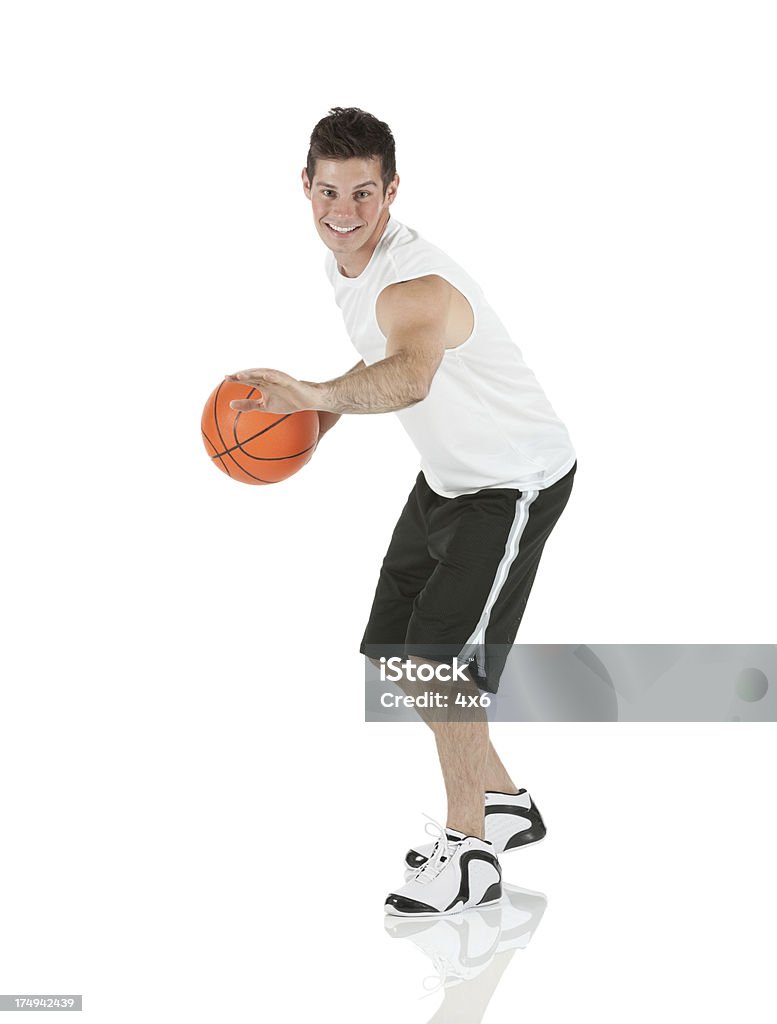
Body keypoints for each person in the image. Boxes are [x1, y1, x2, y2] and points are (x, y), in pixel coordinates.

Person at [226, 106, 577, 918]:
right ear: (304, 187)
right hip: (449, 480)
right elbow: (380, 355)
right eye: (327, 192)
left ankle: (470, 855)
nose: (341, 213)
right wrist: (325, 413)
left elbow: (411, 373)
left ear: (392, 192)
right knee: (395, 651)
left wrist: (315, 394)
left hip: (512, 483)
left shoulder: (415, 281)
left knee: (440, 665)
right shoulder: (345, 262)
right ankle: (506, 804)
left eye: (362, 194)